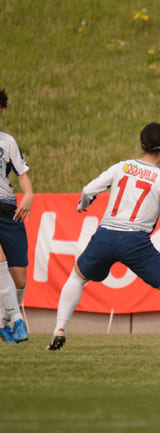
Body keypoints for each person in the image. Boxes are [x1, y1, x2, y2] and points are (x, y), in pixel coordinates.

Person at [47, 123, 160, 352]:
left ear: (141, 144)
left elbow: (88, 190)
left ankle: (59, 330)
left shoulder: (121, 167)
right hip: (134, 241)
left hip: (105, 235)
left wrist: (83, 204)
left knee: (76, 278)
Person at [0, 89, 32, 343]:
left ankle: (2, 322)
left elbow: (22, 173)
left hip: (8, 209)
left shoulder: (7, 141)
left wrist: (29, 194)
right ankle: (17, 319)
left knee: (19, 277)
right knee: (0, 266)